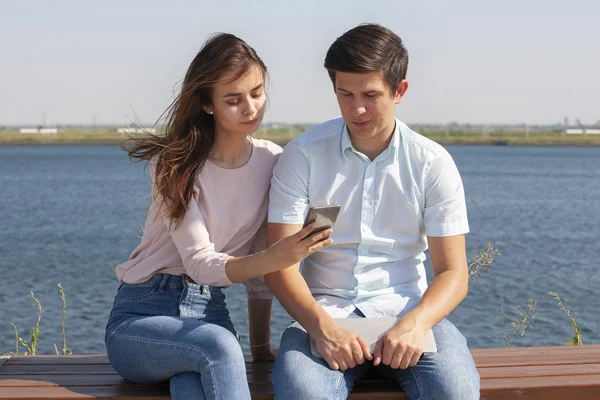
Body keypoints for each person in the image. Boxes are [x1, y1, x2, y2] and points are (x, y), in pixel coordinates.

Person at [104, 33, 332, 400]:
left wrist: (260, 348)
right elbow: (199, 263)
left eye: (257, 93)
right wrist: (275, 257)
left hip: (210, 315)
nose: (251, 108)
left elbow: (261, 274)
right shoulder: (175, 165)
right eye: (233, 100)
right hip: (142, 318)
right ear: (207, 105)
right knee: (219, 347)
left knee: (193, 384)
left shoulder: (272, 161)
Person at [265, 23, 480, 400]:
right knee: (304, 393)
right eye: (344, 94)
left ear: (400, 91)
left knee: (456, 392)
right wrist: (322, 328)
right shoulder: (302, 156)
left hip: (407, 312)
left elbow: (453, 273)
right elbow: (279, 265)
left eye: (370, 94)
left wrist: (416, 324)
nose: (356, 108)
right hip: (324, 313)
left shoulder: (432, 163)